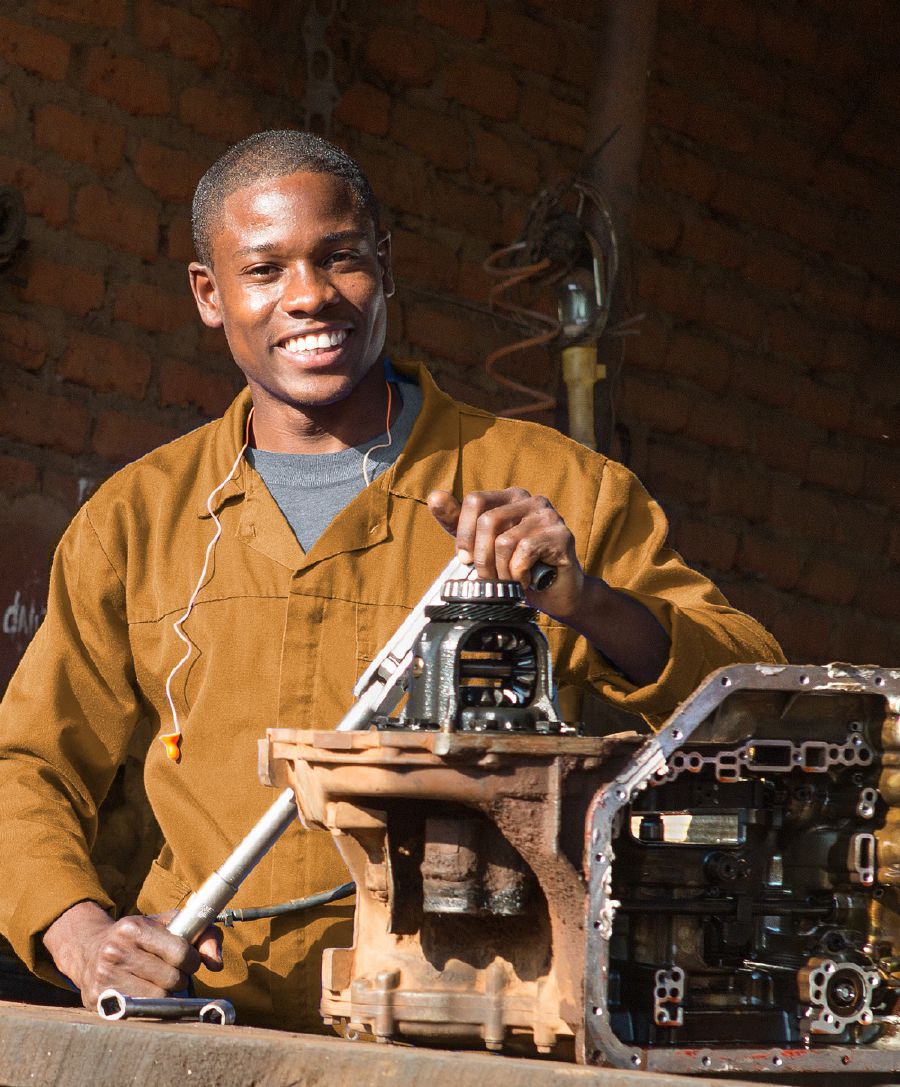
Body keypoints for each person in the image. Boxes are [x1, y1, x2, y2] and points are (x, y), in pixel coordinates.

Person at [0, 131, 784, 1032]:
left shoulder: (551, 488)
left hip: (467, 1034)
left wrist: (590, 601)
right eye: (265, 270)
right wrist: (83, 934)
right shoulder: (139, 519)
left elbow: (750, 696)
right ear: (209, 295)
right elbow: (27, 767)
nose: (309, 296)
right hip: (208, 1026)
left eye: (340, 258)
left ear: (386, 265)